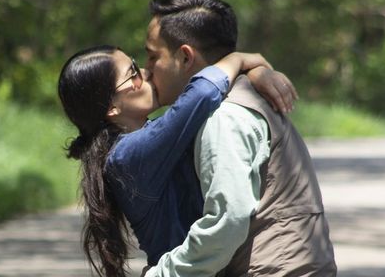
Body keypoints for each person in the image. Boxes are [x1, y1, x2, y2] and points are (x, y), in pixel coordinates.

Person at [142, 0, 337, 277]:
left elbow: (227, 222)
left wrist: (163, 274)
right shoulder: (244, 95)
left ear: (185, 57)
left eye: (152, 56)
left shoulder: (224, 116)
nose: (146, 70)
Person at [58, 45, 295, 277]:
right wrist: (239, 59)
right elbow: (202, 94)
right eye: (132, 73)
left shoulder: (135, 148)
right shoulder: (127, 155)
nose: (145, 72)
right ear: (112, 107)